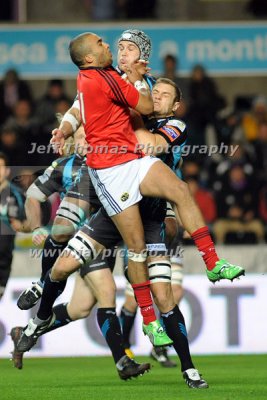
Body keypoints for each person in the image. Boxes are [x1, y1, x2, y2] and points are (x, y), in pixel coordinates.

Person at [15, 78, 209, 388]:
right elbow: (36, 194)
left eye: (163, 95)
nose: (156, 98)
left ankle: (187, 368)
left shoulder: (173, 125)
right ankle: (39, 320)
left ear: (173, 106)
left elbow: (152, 144)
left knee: (162, 297)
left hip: (150, 217)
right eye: (154, 92)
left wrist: (131, 110)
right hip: (113, 211)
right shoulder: (71, 161)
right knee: (74, 276)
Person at [0, 152, 26, 300]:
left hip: (3, 262)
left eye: (0, 167)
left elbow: (23, 224)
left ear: (7, 171)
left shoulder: (16, 195)